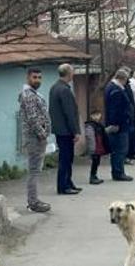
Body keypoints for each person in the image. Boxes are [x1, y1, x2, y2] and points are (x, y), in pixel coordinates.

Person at [19, 68, 51, 213]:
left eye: (39, 77)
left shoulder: (33, 93)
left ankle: (34, 200)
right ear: (28, 78)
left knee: (36, 170)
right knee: (34, 171)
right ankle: (33, 202)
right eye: (34, 77)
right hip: (34, 138)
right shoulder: (28, 95)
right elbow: (32, 118)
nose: (37, 80)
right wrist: (42, 134)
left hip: (37, 137)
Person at [49, 63, 81, 196]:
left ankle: (68, 182)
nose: (73, 74)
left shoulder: (55, 87)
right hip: (66, 130)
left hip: (59, 129)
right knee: (66, 158)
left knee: (67, 157)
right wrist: (76, 131)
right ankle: (63, 186)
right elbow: (69, 112)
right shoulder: (64, 90)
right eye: (72, 72)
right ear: (68, 73)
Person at [105, 69, 135, 182]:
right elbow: (116, 109)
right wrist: (116, 123)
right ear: (122, 79)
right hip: (119, 125)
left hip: (118, 123)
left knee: (118, 149)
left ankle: (117, 171)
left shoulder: (111, 87)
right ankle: (118, 172)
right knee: (120, 149)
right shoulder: (116, 90)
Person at [84, 110, 110, 185]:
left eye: (98, 115)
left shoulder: (99, 125)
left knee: (97, 162)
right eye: (95, 115)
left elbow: (104, 133)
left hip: (99, 147)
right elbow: (90, 137)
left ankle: (94, 176)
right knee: (95, 162)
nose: (97, 117)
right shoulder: (90, 125)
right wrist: (92, 149)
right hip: (95, 147)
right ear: (91, 116)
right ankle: (92, 177)